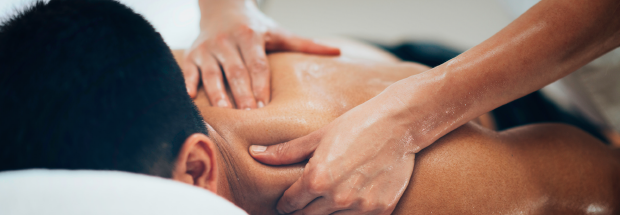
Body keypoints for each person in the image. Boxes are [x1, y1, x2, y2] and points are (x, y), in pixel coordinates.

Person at [1, 0, 619, 214]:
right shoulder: (116, 73)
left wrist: (414, 116)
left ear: (197, 170)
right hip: (376, 64)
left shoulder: (395, 195)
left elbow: (596, 180)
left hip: (502, 121)